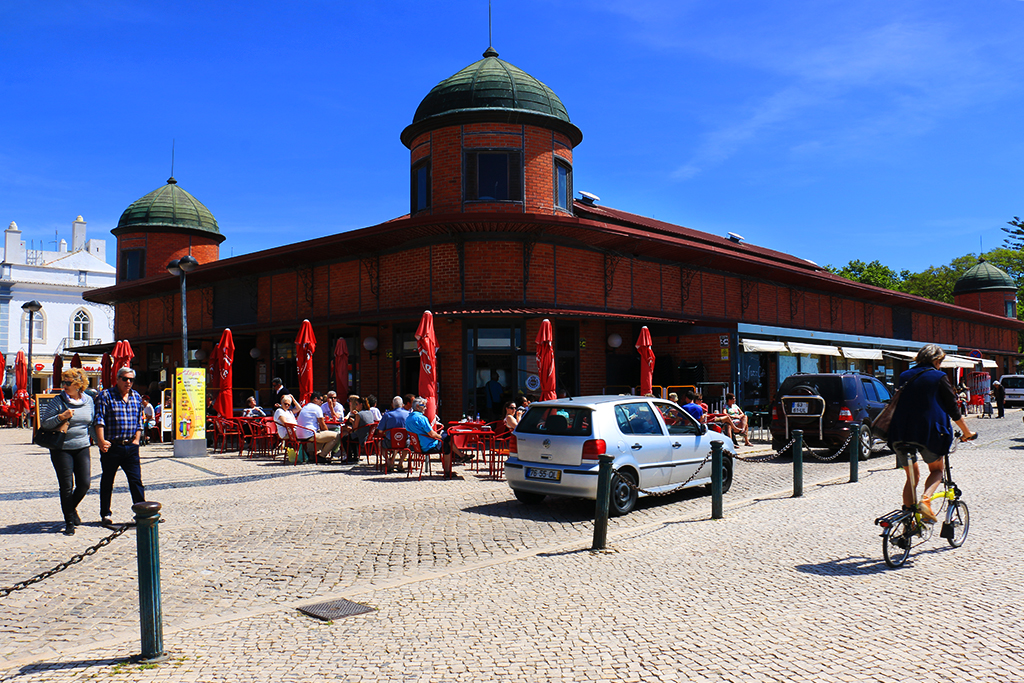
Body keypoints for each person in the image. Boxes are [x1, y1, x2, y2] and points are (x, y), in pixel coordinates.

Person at [887, 344, 977, 523]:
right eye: (940, 362)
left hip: (900, 433)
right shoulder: (939, 377)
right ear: (937, 360)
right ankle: (925, 501)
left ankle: (908, 523)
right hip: (929, 433)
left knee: (912, 477)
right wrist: (967, 432)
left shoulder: (904, 375)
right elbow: (953, 409)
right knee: (937, 470)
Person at [40, 368, 96, 536]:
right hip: (61, 449)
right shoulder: (58, 401)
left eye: (67, 383)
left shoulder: (89, 401)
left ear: (79, 385)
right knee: (66, 486)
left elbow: (91, 424)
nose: (64, 386)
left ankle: (70, 509)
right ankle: (69, 522)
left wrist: (100, 442)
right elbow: (45, 424)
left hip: (82, 446)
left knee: (84, 484)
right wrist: (61, 417)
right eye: (63, 382)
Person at [94, 366, 147, 527]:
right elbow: (99, 419)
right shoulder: (106, 395)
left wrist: (137, 440)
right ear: (117, 379)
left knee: (135, 480)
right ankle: (105, 514)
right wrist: (101, 441)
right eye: (125, 379)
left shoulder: (136, 396)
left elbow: (140, 420)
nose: (128, 382)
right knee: (108, 480)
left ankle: (141, 512)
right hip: (112, 446)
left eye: (131, 379)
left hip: (130, 446)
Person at [405, 397, 467, 478]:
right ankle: (448, 470)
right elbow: (432, 434)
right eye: (423, 405)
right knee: (447, 445)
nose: (425, 408)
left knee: (446, 437)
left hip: (418, 446)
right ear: (417, 406)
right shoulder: (421, 418)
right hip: (428, 446)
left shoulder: (408, 418)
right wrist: (439, 436)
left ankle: (461, 456)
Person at [296, 392, 342, 462]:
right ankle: (322, 456)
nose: (322, 402)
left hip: (299, 434)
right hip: (310, 434)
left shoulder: (305, 407)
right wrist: (327, 432)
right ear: (315, 399)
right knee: (336, 436)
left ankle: (313, 454)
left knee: (321, 434)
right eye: (321, 400)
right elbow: (322, 425)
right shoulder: (317, 408)